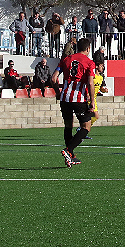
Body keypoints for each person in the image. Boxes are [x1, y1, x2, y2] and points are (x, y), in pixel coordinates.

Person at [55, 37, 95, 168]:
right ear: (88, 49)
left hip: (64, 98)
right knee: (86, 126)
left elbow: (53, 78)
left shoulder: (66, 59)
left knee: (68, 125)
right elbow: (90, 83)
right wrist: (92, 101)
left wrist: (57, 91)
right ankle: (68, 150)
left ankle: (70, 155)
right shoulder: (89, 62)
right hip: (78, 98)